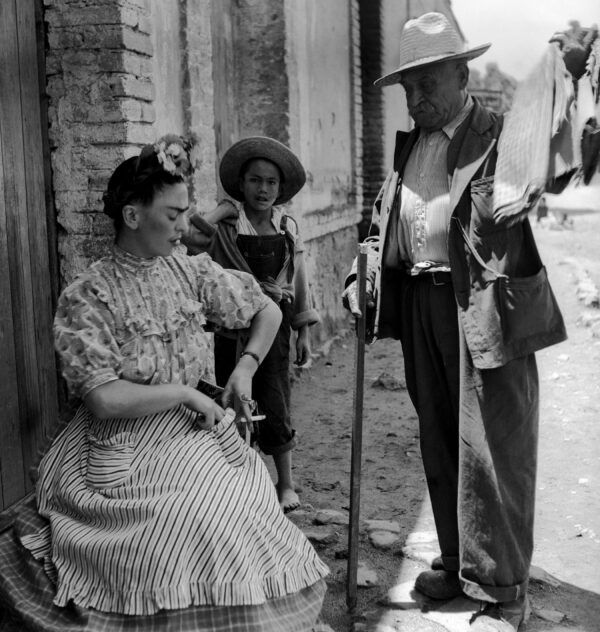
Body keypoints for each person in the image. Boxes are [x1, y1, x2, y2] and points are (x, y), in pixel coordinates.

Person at [0, 135, 328, 632]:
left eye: (186, 212)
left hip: (194, 435)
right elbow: (104, 399)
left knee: (235, 509)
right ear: (133, 217)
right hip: (121, 445)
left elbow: (265, 309)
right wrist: (184, 392)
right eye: (173, 215)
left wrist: (244, 368)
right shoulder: (88, 294)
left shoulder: (189, 272)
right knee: (182, 522)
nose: (185, 226)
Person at [342, 13, 567, 632]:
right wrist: (360, 273)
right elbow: (388, 217)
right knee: (438, 436)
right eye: (407, 89)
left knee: (494, 444)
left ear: (461, 74)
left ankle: (501, 580)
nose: (415, 100)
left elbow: (551, 167)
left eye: (426, 85)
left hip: (484, 303)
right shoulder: (411, 142)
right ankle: (454, 556)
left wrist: (565, 84)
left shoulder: (502, 133)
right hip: (420, 302)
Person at [184, 136, 319, 513]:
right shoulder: (228, 225)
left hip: (274, 330)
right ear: (241, 185)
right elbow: (190, 241)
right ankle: (241, 482)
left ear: (281, 189)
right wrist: (219, 212)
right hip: (229, 330)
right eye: (255, 181)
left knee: (275, 400)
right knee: (232, 400)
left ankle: (285, 484)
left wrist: (303, 329)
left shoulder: (288, 228)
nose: (263, 189)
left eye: (271, 183)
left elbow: (299, 281)